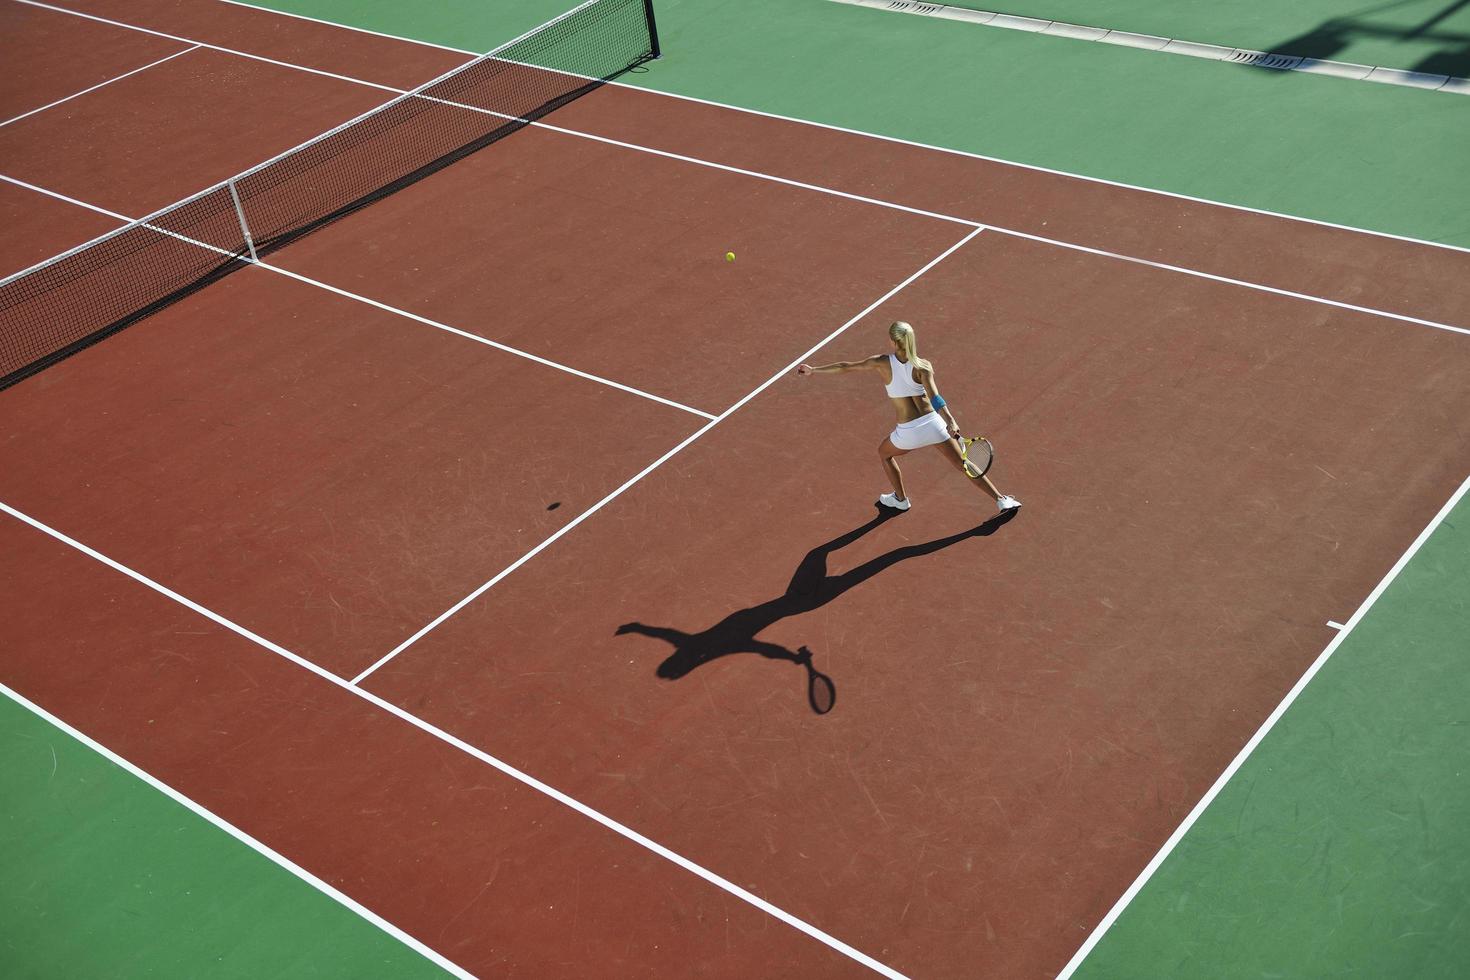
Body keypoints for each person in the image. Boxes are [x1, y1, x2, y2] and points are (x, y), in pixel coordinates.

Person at [796, 320, 1020, 514]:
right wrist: (950, 420)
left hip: (908, 433)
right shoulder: (923, 366)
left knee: (884, 454)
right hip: (934, 425)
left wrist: (814, 370)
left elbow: (847, 367)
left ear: (893, 342)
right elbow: (935, 397)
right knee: (964, 464)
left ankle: (900, 500)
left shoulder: (882, 362)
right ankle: (1002, 500)